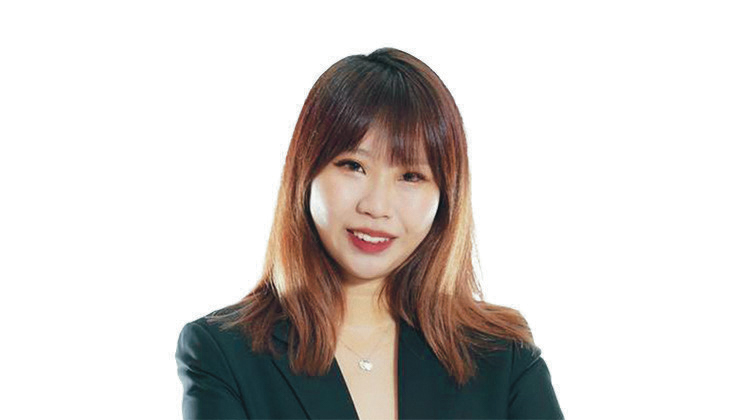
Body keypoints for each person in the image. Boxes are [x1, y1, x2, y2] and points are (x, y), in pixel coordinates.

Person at [175, 47, 564, 420]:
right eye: (353, 166)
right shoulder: (224, 353)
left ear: (445, 197)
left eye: (411, 176)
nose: (377, 206)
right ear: (305, 173)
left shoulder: (503, 357)